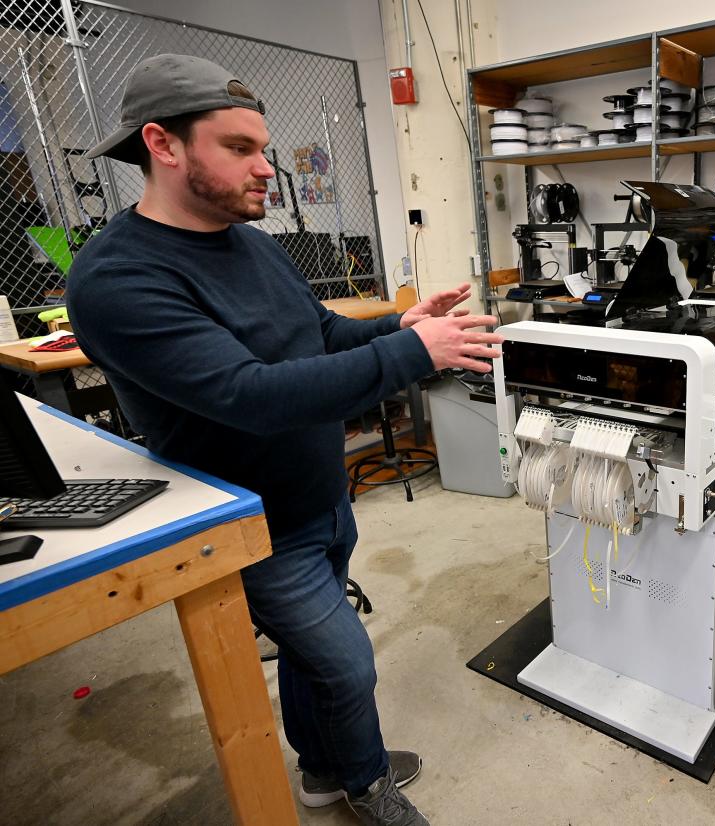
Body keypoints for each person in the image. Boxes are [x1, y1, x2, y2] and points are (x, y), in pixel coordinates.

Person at [66, 54, 501, 826]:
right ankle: (363, 782)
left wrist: (393, 326)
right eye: (239, 148)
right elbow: (249, 396)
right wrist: (413, 353)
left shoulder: (251, 239)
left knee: (316, 658)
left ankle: (323, 771)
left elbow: (317, 332)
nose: (267, 168)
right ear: (163, 146)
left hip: (320, 495)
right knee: (344, 662)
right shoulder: (117, 279)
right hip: (250, 521)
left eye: (263, 147)